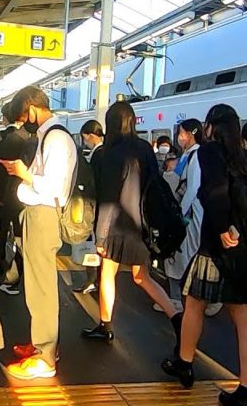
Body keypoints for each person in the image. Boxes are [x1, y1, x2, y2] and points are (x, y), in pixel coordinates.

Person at [161, 105, 247, 406]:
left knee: (193, 303)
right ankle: (246, 390)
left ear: (210, 127)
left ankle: (185, 363)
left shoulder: (208, 153)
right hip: (243, 246)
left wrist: (221, 230)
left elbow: (214, 194)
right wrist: (239, 230)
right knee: (246, 320)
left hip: (215, 244)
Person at [82, 102, 182, 345]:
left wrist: (101, 236)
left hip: (116, 226)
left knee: (107, 273)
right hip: (143, 225)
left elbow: (107, 198)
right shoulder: (145, 149)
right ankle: (176, 316)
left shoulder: (108, 153)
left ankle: (105, 325)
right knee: (142, 276)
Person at [0, 86, 76, 380]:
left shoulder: (55, 138)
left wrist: (23, 173)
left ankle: (45, 356)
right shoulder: (50, 136)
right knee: (36, 283)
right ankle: (41, 344)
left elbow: (52, 186)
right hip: (38, 213)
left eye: (22, 117)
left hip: (44, 214)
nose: (22, 123)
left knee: (41, 286)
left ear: (32, 109)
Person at [160, 119, 220, 317]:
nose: (179, 137)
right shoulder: (187, 154)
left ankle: (205, 298)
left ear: (191, 133)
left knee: (189, 254)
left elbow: (193, 187)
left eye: (182, 133)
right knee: (180, 255)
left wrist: (180, 211)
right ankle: (177, 298)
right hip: (187, 213)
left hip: (191, 214)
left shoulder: (196, 155)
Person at [0, 99, 36, 295]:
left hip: (5, 194)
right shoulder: (34, 139)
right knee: (21, 237)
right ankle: (16, 274)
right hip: (28, 197)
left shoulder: (2, 138)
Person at [73, 119, 104, 295]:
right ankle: (93, 280)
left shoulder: (99, 154)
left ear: (91, 136)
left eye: (85, 138)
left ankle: (93, 281)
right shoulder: (101, 152)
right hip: (99, 205)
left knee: (92, 244)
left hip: (94, 205)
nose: (85, 141)